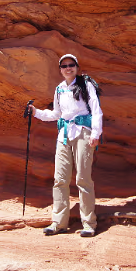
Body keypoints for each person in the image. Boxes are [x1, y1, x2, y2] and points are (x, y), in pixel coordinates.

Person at [29, 54, 103, 237]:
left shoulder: (86, 85)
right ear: (60, 69)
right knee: (60, 179)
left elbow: (96, 109)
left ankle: (89, 223)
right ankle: (59, 223)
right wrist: (36, 112)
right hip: (64, 134)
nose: (68, 68)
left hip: (83, 133)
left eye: (71, 65)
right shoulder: (60, 89)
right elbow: (56, 113)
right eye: (64, 66)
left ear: (77, 67)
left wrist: (96, 133)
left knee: (83, 179)